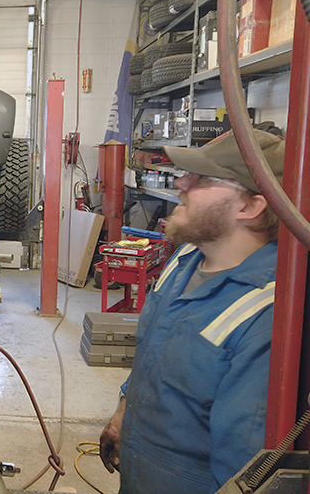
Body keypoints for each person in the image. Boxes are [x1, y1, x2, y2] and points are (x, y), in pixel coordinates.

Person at [99, 129, 285, 494]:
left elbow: (241, 465)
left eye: (203, 178)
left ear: (250, 206)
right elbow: (152, 349)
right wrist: (123, 414)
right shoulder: (186, 257)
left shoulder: (265, 312)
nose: (181, 182)